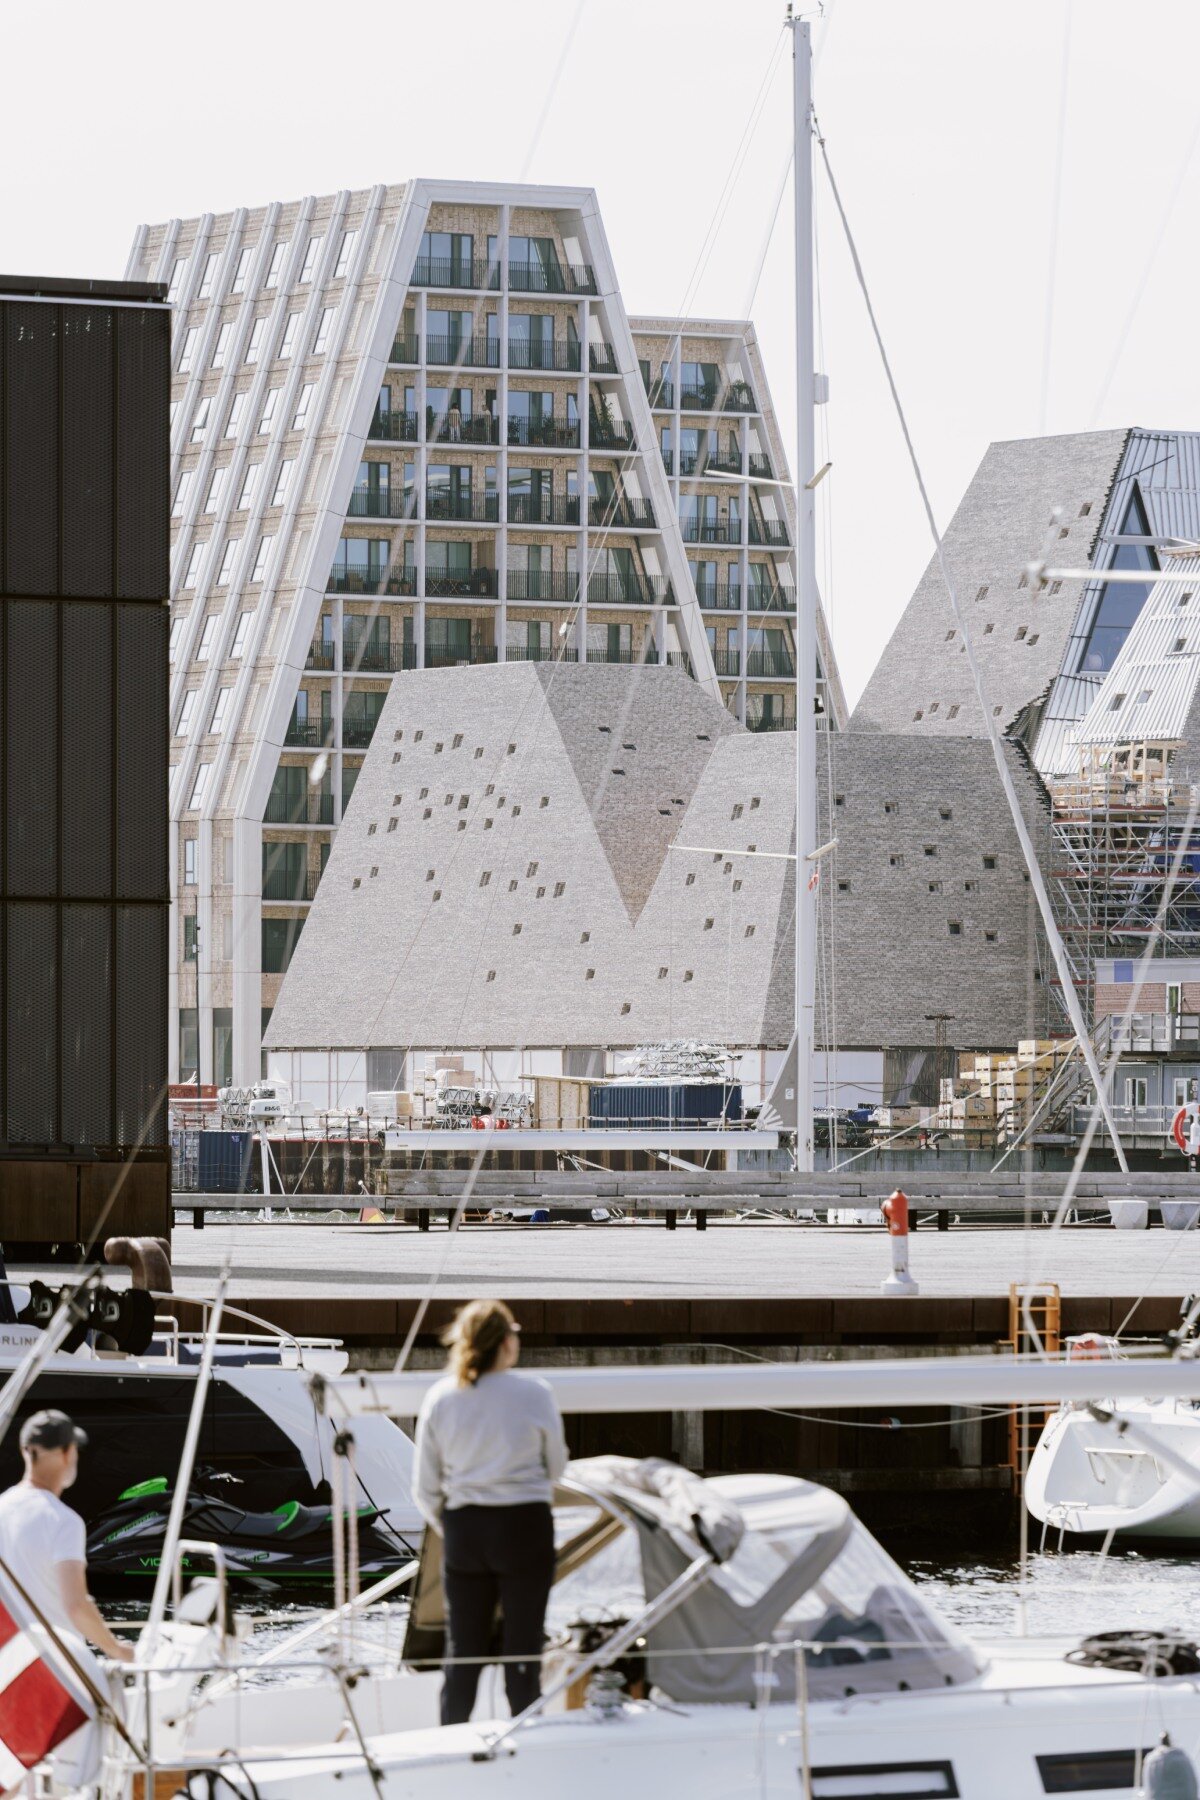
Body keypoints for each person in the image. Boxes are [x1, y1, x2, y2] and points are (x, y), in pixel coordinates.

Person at [413, 1300, 567, 1726]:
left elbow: (425, 1487)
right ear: (505, 1342)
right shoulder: (534, 1393)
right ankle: (524, 1734)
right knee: (523, 1645)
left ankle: (451, 1740)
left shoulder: (442, 1397)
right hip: (523, 1525)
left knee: (464, 1649)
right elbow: (556, 1468)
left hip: (465, 1530)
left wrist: (453, 1525)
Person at [0, 1410, 132, 1662]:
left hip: (9, 1665)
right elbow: (76, 1606)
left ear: (25, 1451)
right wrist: (117, 1649)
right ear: (66, 1453)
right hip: (59, 1669)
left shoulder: (2, 1507)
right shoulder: (63, 1521)